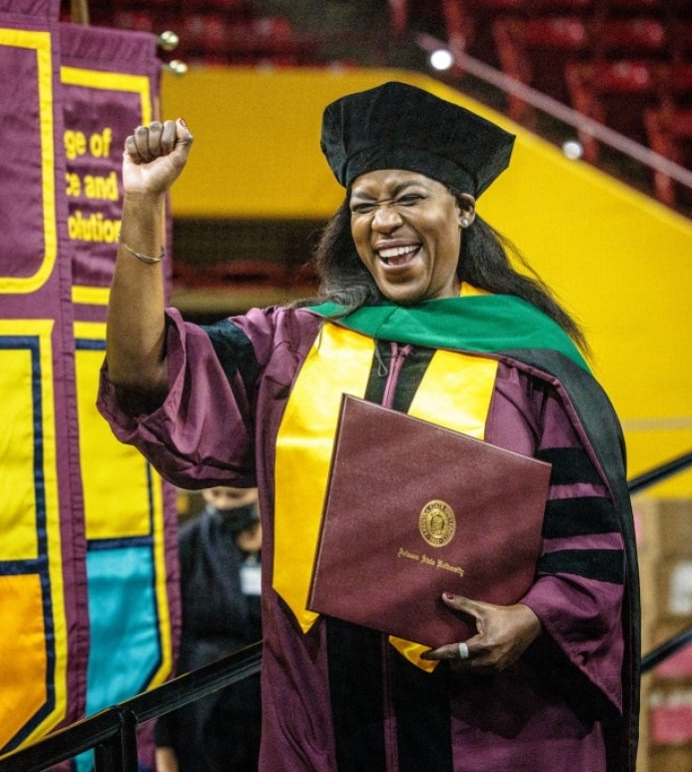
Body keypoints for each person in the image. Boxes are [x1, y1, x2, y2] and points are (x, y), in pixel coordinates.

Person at [98, 81, 640, 771]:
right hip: (321, 726)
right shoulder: (296, 349)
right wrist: (142, 207)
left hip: (486, 731)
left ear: (464, 208)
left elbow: (591, 547)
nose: (383, 221)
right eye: (364, 204)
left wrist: (528, 620)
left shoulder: (528, 366)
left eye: (408, 197)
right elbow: (146, 374)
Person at [155, 487, 264, 772]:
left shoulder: (294, 548)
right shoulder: (188, 545)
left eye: (234, 496)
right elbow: (171, 647)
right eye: (214, 495)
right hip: (203, 715)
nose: (222, 504)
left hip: (273, 709)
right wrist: (162, 743)